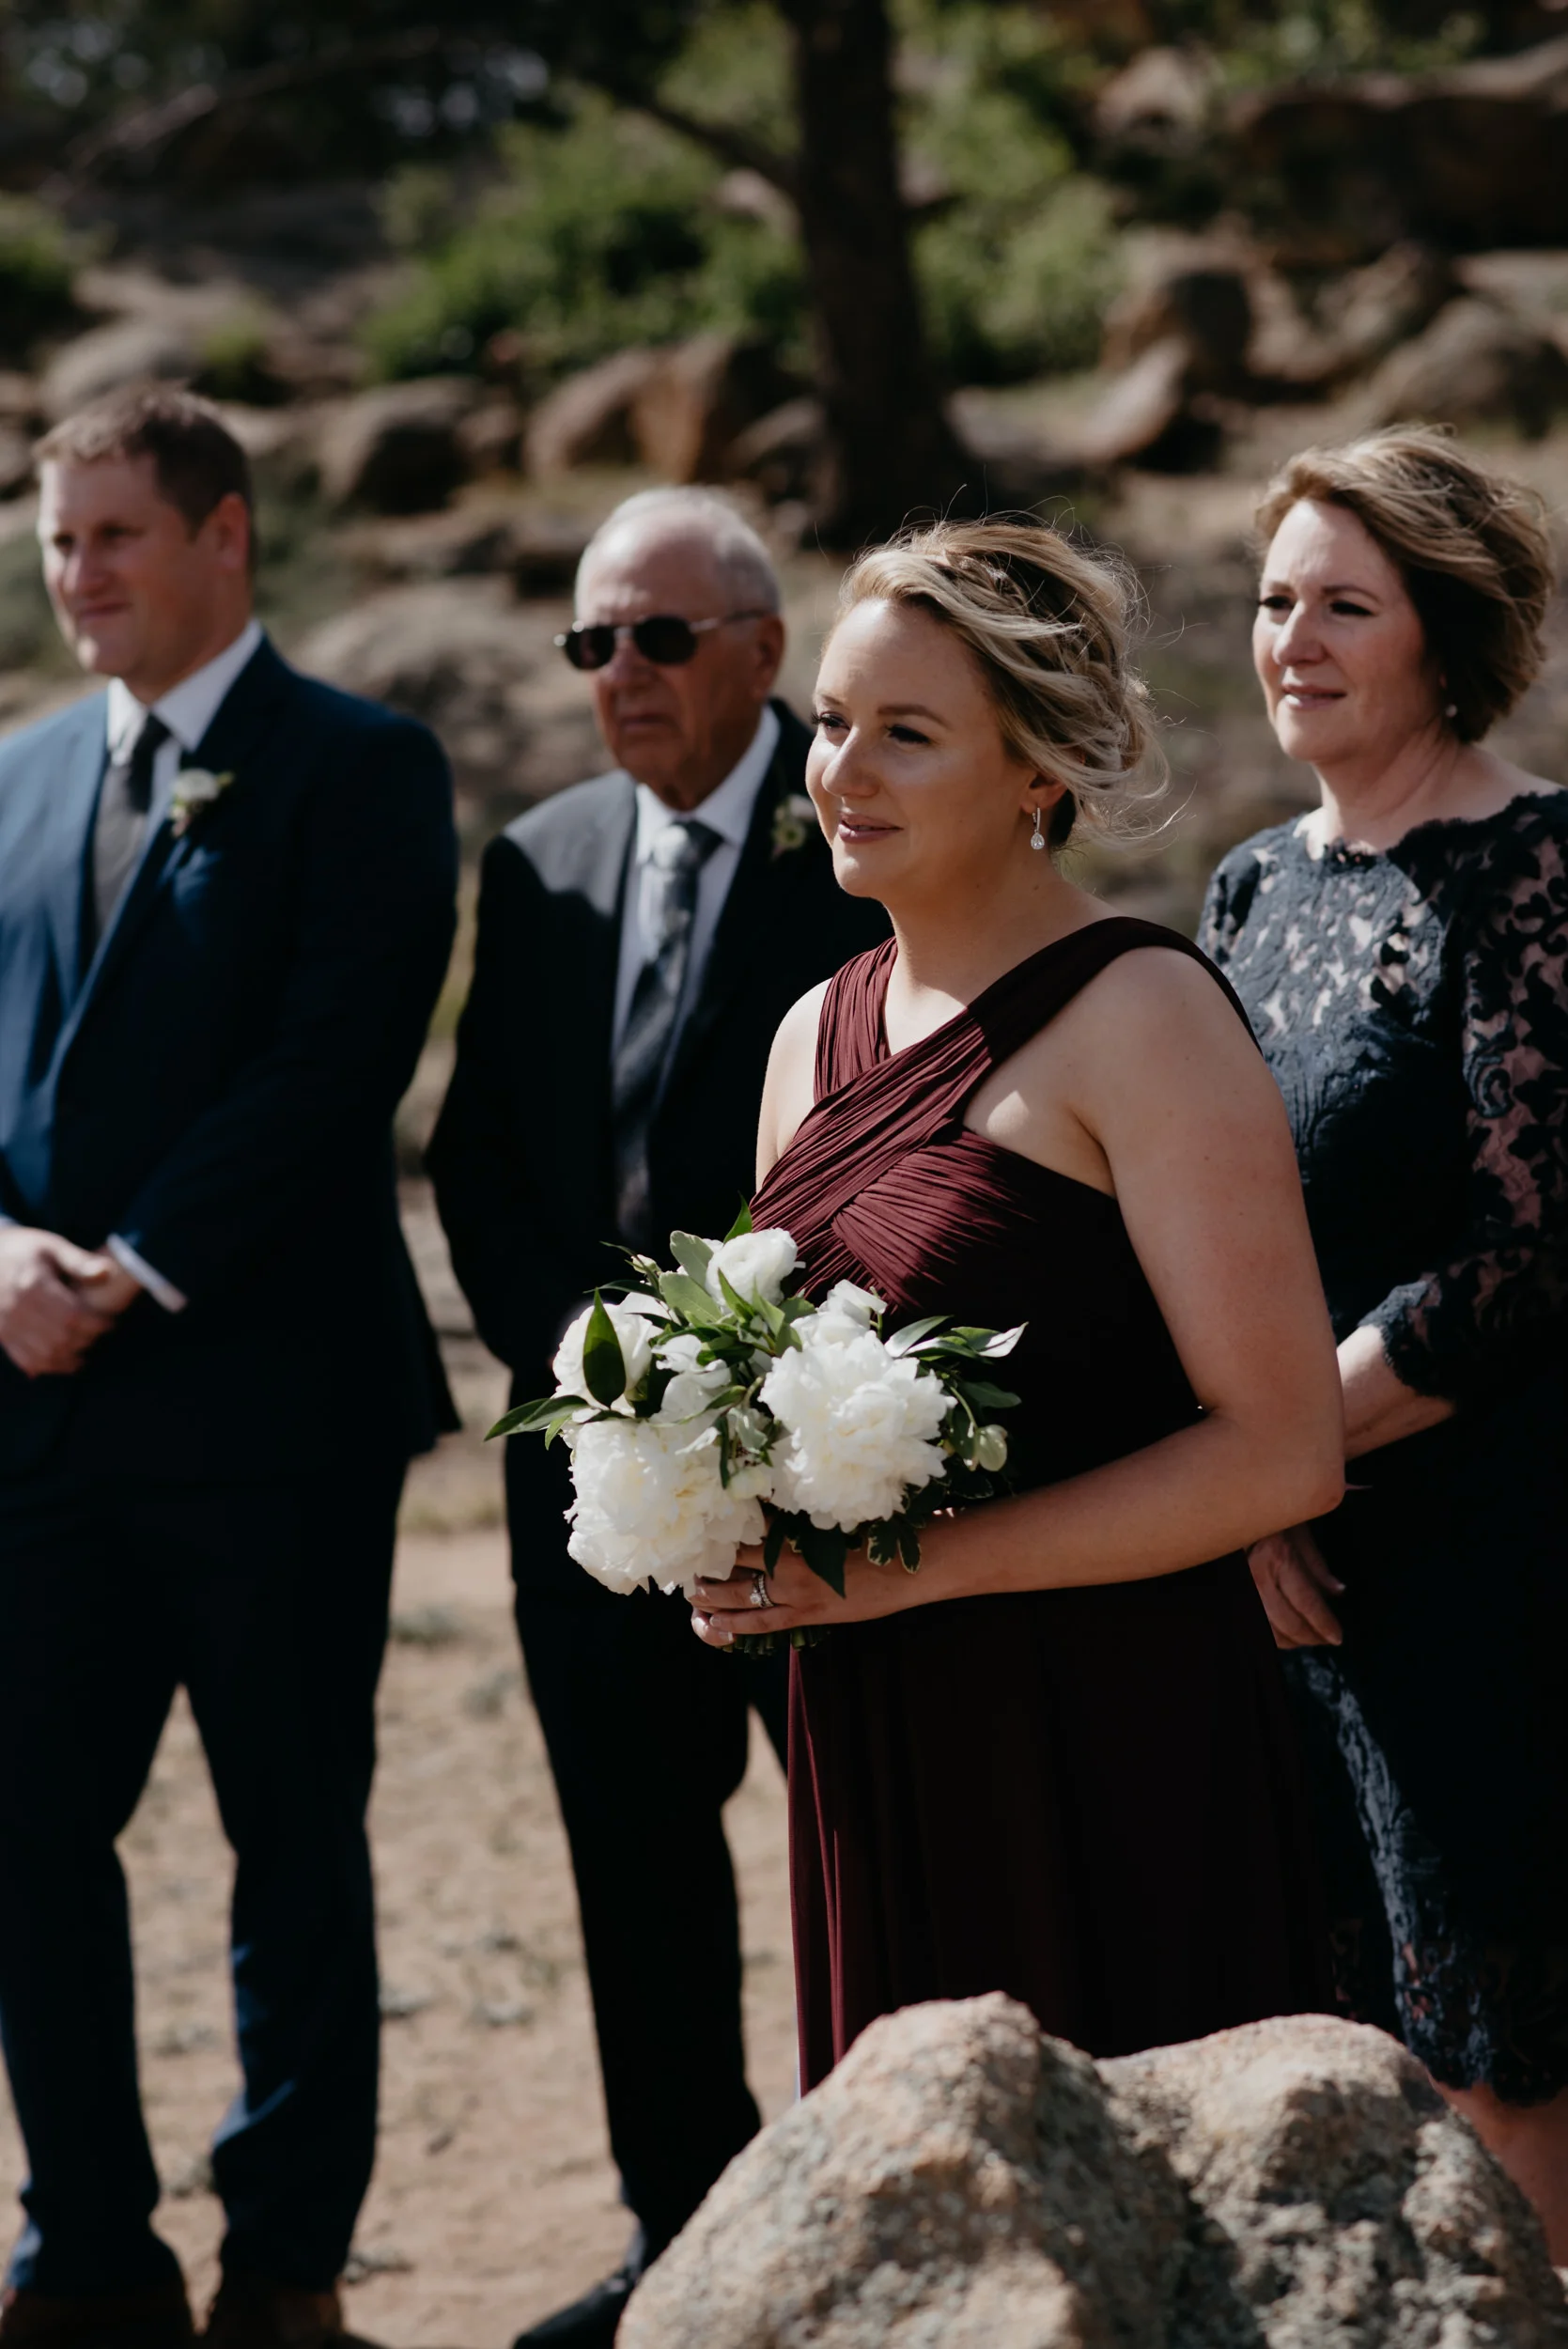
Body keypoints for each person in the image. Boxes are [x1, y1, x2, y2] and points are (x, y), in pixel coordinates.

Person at [690, 518, 1343, 2092]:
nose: (843, 768)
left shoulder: (1147, 1018)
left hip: (1111, 1739)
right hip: (874, 1732)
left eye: (908, 735)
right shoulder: (806, 1036)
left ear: (1039, 770)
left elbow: (1282, 1454)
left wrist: (913, 1578)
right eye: (835, 722)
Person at [0, 387, 458, 2349]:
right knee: (24, 1833)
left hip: (268, 1409)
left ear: (224, 535)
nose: (75, 573)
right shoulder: (14, 772)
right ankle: (90, 2258)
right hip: (32, 1409)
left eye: (113, 534)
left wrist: (135, 1260)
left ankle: (287, 2265)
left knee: (293, 1837)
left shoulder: (361, 762)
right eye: (54, 540)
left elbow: (338, 1054)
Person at [427, 488, 886, 2347]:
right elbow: (479, 1162)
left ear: (765, 654)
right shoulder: (535, 859)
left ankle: (885, 2224)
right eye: (589, 641)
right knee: (633, 1863)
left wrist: (753, 1376)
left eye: (659, 637)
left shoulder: (858, 837)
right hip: (603, 1474)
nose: (618, 673)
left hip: (822, 1472)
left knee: (864, 1846)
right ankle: (683, 2242)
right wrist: (599, 1366)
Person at [1198, 426, 1568, 2259]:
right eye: (1274, 601)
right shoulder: (1253, 888)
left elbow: (1530, 1256)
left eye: (1347, 602)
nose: (1294, 639)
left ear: (1448, 630)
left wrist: (1279, 1451)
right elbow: (1211, 1232)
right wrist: (1251, 1489)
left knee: (1505, 2065)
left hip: (1500, 1557)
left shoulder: (1537, 865)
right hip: (1295, 1562)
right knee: (1347, 2048)